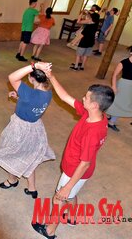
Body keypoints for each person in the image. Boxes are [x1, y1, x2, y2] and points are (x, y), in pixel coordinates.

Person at [32, 71, 114, 239]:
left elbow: (85, 163)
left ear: (94, 105)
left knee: (59, 198)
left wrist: (68, 185)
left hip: (74, 170)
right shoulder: (92, 114)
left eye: (86, 97)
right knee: (71, 195)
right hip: (76, 170)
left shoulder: (92, 132)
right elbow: (65, 97)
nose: (83, 98)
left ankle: (50, 230)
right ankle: (72, 217)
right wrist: (52, 76)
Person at [0, 62, 55, 199]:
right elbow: (32, 103)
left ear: (31, 78)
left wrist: (34, 65)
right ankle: (32, 188)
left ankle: (12, 180)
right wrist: (19, 98)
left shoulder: (29, 92)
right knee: (29, 155)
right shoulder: (48, 93)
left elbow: (12, 77)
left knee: (14, 155)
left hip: (20, 128)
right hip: (35, 128)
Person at [106, 45, 132, 132]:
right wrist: (114, 86)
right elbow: (114, 75)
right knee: (120, 104)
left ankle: (111, 118)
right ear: (131, 52)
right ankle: (111, 122)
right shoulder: (123, 62)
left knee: (124, 103)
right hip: (123, 85)